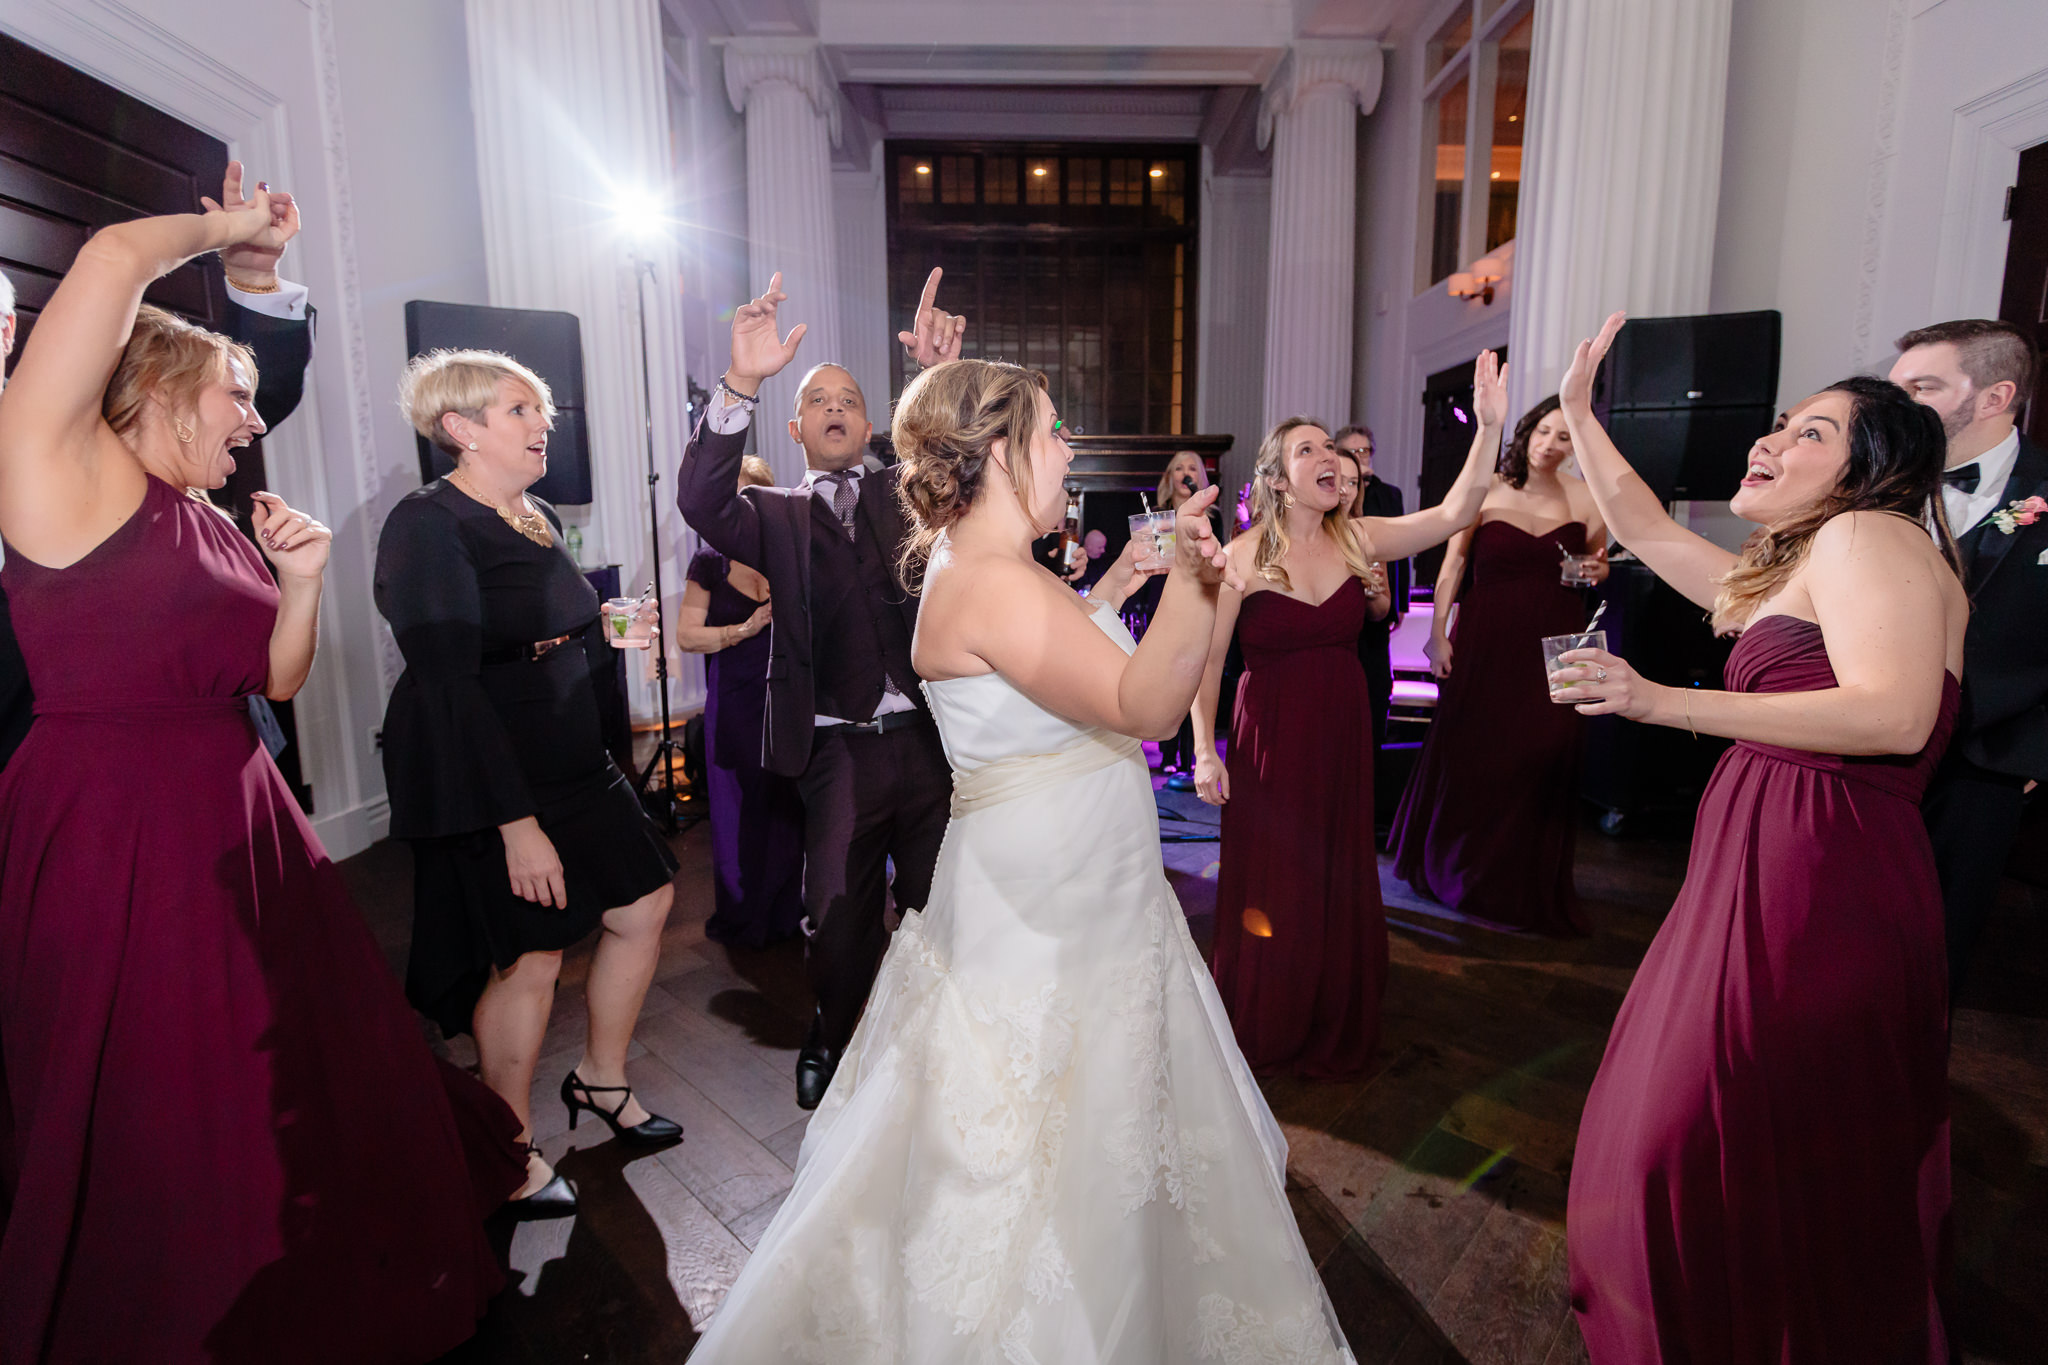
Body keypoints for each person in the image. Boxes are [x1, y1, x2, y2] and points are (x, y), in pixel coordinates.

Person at [686, 356, 1354, 1365]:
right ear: (996, 451)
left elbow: (1062, 654)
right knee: (1050, 1142)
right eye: (1050, 430)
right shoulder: (991, 582)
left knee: (1092, 1124)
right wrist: (1187, 576)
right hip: (1056, 902)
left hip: (1075, 878)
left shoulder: (994, 565)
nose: (1066, 445)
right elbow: (1141, 706)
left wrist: (1123, 580)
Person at [0, 197, 524, 1361]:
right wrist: (231, 223)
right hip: (105, 817)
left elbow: (274, 678)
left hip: (239, 811)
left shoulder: (211, 515)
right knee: (148, 1072)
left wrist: (300, 581)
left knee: (280, 1052)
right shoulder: (53, 479)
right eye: (236, 395)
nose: (253, 420)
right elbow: (108, 257)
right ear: (165, 386)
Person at [1552, 314, 1965, 1363]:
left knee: (1711, 1128)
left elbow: (1892, 717)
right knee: (1712, 1128)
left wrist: (1657, 703)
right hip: (1762, 863)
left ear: (1867, 470)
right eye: (1779, 424)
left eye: (1810, 433)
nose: (1770, 441)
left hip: (1822, 879)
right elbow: (1643, 530)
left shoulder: (1870, 538)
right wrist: (1573, 413)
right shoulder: (1804, 562)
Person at [378, 348, 683, 1215]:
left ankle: (600, 1077)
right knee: (531, 955)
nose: (542, 423)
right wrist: (514, 823)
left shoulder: (534, 510)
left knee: (643, 902)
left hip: (570, 752)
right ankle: (508, 1150)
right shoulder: (426, 525)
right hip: (492, 765)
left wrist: (608, 630)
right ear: (461, 429)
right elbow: (450, 681)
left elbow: (547, 620)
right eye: (519, 410)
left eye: (539, 409)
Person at [676, 268, 963, 1109]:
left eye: (850, 397)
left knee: (942, 905)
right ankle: (832, 1033)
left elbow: (963, 463)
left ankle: (941, 1045)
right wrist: (742, 382)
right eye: (817, 399)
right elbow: (700, 495)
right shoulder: (769, 512)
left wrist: (936, 381)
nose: (835, 406)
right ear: (797, 426)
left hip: (926, 742)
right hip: (833, 752)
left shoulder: (908, 495)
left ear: (870, 424)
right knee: (835, 921)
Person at [1192, 352, 1515, 1078]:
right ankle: (1269, 1013)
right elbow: (1207, 664)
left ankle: (1329, 1004)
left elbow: (1457, 511)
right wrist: (1204, 751)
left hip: (1339, 731)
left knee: (1334, 869)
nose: (1330, 458)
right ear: (1277, 478)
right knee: (1276, 874)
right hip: (1269, 736)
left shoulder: (1358, 541)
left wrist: (1489, 428)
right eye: (1309, 450)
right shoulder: (1239, 559)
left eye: (1331, 449)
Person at [0, 162, 316, 772]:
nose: (248, 420)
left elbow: (230, 404)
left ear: (7, 327)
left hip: (192, 730)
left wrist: (251, 277)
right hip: (51, 757)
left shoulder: (101, 413)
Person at [1388, 395, 1605, 934]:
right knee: (1478, 752)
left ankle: (1520, 878)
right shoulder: (1487, 488)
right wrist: (1437, 634)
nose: (1552, 445)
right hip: (1486, 636)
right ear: (1526, 432)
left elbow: (1595, 568)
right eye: (1544, 433)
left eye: (1564, 437)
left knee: (1541, 752)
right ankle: (1459, 868)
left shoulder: (1587, 497)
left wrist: (1596, 572)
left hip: (1556, 641)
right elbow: (1453, 563)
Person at [1888, 320, 2046, 1002]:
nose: (1898, 405)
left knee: (1932, 952)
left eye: (1921, 387)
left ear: (1993, 396)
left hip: (1987, 759)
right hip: (1862, 744)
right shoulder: (1872, 484)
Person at [679, 455, 804, 948]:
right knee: (739, 811)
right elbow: (688, 638)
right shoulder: (708, 563)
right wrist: (743, 630)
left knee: (789, 808)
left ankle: (791, 910)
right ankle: (745, 912)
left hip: (788, 700)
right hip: (734, 702)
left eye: (746, 499)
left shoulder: (788, 556)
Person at [1140, 449, 1227, 787]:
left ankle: (1193, 754)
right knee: (1165, 675)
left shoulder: (1213, 516)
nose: (1185, 473)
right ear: (1170, 477)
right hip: (1161, 598)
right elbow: (1150, 561)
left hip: (1197, 599)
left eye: (1192, 468)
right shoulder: (1155, 516)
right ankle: (1168, 754)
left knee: (1194, 673)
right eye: (1179, 468)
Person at [1335, 425, 1406, 751]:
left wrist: (1377, 595)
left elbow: (1381, 609)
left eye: (1352, 482)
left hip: (1367, 646)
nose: (1346, 490)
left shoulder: (1370, 532)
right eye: (1340, 480)